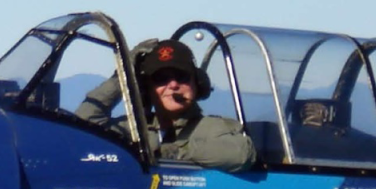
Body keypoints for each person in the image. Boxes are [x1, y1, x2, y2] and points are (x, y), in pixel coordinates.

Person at [76, 39, 256, 172]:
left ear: (197, 83)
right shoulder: (133, 129)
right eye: (161, 79)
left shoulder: (212, 128)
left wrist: (175, 152)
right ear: (147, 88)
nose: (173, 85)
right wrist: (122, 75)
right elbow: (81, 126)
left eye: (181, 77)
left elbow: (241, 154)